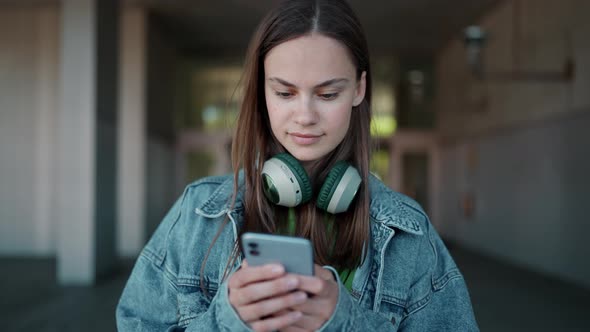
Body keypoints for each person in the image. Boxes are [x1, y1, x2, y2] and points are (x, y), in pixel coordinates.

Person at [116, 0, 479, 331]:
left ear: (359, 89)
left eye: (328, 94)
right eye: (285, 92)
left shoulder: (408, 235)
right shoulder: (196, 216)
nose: (305, 116)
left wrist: (344, 323)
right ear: (261, 90)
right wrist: (227, 320)